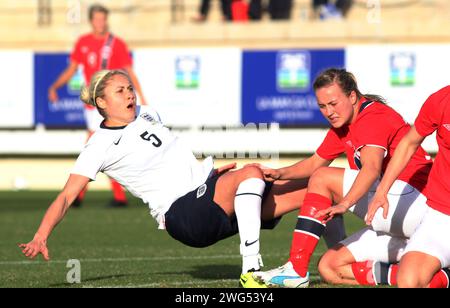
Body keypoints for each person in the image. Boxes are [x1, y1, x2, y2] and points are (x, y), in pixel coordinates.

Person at [21, 69, 343, 288]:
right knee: (251, 172)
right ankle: (251, 271)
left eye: (130, 87)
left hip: (206, 194)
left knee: (319, 185)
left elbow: (172, 159)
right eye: (120, 91)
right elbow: (66, 196)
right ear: (102, 103)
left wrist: (207, 178)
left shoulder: (147, 114)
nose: (129, 94)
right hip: (182, 214)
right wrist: (41, 234)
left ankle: (338, 261)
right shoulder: (99, 146)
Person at [252, 68, 433, 288]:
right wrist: (280, 173)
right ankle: (433, 278)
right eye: (322, 106)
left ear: (353, 96)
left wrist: (345, 203)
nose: (328, 112)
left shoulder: (372, 117)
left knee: (323, 179)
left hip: (420, 204)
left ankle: (296, 269)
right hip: (399, 213)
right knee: (330, 267)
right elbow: (314, 163)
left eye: (333, 103)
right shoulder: (344, 126)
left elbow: (371, 169)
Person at [48, 4, 147, 208]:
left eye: (103, 19)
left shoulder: (116, 44)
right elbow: (72, 69)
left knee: (94, 149)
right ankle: (115, 196)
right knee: (101, 149)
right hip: (94, 105)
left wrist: (141, 97)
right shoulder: (83, 42)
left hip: (109, 105)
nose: (100, 23)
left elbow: (129, 72)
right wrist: (55, 86)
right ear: (92, 20)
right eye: (97, 19)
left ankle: (80, 195)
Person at [364, 85, 450, 288]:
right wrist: (382, 191)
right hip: (443, 216)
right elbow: (409, 143)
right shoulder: (441, 100)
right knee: (409, 280)